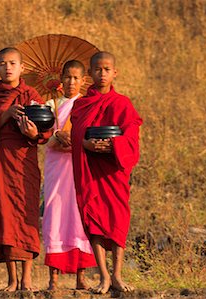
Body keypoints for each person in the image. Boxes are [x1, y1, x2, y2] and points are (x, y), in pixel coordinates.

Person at [0, 47, 52, 291]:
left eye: (13, 63)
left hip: (24, 160)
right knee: (5, 216)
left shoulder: (31, 94)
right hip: (1, 159)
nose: (8, 67)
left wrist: (35, 133)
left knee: (25, 213)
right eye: (2, 63)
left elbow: (46, 128)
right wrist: (7, 114)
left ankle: (27, 278)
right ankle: (12, 279)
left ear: (22, 68)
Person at [70, 51, 143, 294]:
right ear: (89, 74)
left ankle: (117, 274)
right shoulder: (81, 105)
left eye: (107, 69)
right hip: (91, 170)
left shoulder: (122, 103)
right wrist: (85, 144)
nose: (102, 74)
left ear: (115, 72)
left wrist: (113, 145)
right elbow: (77, 134)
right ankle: (103, 276)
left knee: (118, 219)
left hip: (113, 170)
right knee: (94, 222)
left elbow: (131, 136)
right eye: (98, 70)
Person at [42, 60, 97, 291]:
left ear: (84, 81)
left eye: (76, 78)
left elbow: (91, 134)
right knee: (54, 214)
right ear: (61, 78)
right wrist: (56, 136)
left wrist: (73, 140)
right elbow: (43, 136)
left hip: (78, 164)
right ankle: (53, 278)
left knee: (77, 216)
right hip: (56, 165)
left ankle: (81, 276)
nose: (71, 82)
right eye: (67, 77)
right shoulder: (51, 104)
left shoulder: (86, 105)